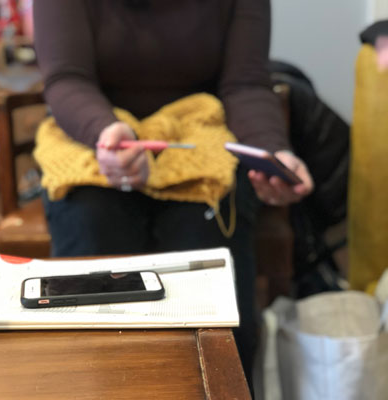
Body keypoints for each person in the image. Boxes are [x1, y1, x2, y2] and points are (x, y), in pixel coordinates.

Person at [33, 0, 313, 393]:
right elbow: (66, 78)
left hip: (200, 138)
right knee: (91, 234)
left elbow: (245, 84)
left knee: (208, 272)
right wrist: (106, 130)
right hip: (93, 132)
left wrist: (273, 150)